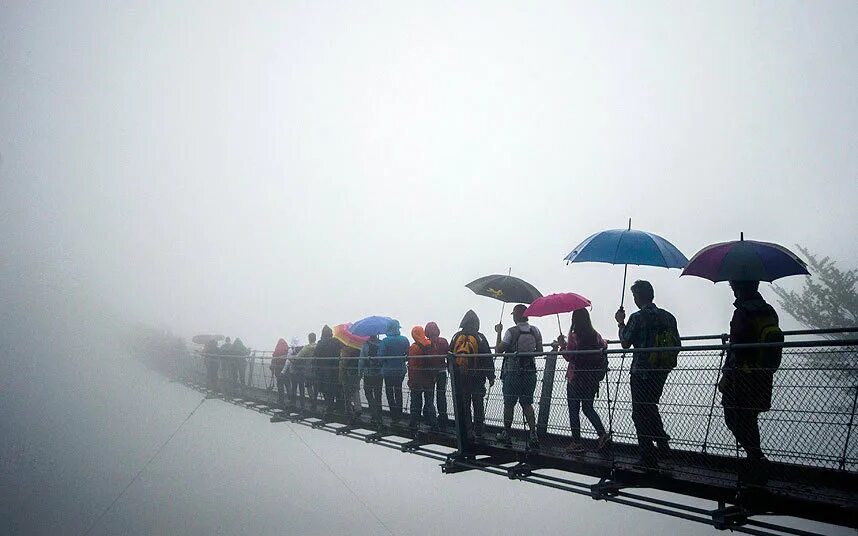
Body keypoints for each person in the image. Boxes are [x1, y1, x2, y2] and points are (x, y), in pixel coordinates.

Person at [719, 280, 782, 476]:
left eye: (733, 288)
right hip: (762, 373)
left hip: (742, 375)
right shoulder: (768, 310)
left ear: (739, 289)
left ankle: (756, 458)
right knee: (749, 416)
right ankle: (755, 459)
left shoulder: (742, 312)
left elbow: (738, 350)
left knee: (732, 416)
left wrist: (726, 376)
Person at [616, 280, 680, 466]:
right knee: (650, 406)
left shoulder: (637, 317)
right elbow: (677, 344)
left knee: (639, 413)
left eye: (634, 296)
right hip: (661, 371)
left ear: (638, 296)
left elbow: (625, 342)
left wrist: (621, 323)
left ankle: (648, 456)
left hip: (641, 371)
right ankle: (663, 447)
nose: (634, 299)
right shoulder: (668, 317)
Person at [561, 308, 609, 452]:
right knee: (588, 408)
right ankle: (602, 434)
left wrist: (562, 346)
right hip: (591, 379)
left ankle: (576, 442)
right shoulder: (595, 335)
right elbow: (604, 345)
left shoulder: (574, 336)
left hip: (575, 378)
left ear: (574, 320)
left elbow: (569, 356)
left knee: (574, 410)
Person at [495, 304, 542, 448]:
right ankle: (533, 433)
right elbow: (540, 351)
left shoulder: (511, 332)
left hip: (512, 373)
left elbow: (499, 351)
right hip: (529, 372)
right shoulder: (535, 331)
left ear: (515, 316)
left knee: (509, 404)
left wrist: (498, 332)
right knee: (527, 404)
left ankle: (507, 433)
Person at [449, 310, 494, 438]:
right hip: (477, 376)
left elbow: (450, 355)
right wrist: (491, 376)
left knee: (464, 403)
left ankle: (467, 429)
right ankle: (479, 430)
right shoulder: (480, 337)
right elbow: (487, 357)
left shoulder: (456, 336)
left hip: (461, 376)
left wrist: (453, 372)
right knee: (478, 402)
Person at [407, 326, 438, 431]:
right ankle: (434, 423)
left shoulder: (414, 347)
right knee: (429, 402)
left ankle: (414, 423)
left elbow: (412, 365)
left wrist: (411, 380)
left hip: (418, 378)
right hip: (429, 377)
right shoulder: (430, 343)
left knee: (416, 402)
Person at [379, 320, 409, 423]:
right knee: (398, 391)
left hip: (388, 371)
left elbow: (380, 357)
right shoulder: (404, 339)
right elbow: (407, 354)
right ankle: (399, 413)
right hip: (400, 370)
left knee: (389, 392)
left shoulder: (385, 341)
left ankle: (393, 414)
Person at [314, 325, 344, 416]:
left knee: (326, 390)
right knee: (337, 388)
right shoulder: (336, 342)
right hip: (335, 369)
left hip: (323, 371)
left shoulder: (320, 344)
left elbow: (316, 357)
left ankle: (329, 407)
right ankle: (340, 407)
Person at [425, 322, 450, 428]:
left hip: (430, 373)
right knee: (441, 395)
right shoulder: (443, 341)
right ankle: (443, 418)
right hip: (442, 371)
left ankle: (431, 420)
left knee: (429, 396)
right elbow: (449, 354)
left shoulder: (426, 343)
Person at [360, 335, 384, 425]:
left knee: (368, 393)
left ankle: (374, 412)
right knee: (378, 394)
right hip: (379, 373)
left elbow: (361, 360)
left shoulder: (365, 345)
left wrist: (360, 372)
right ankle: (379, 414)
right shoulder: (381, 343)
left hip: (368, 373)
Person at [339, 345, 363, 422]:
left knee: (347, 392)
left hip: (347, 373)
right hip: (357, 372)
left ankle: (349, 411)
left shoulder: (346, 349)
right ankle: (358, 408)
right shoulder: (359, 348)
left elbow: (344, 363)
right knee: (356, 390)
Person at [290, 334, 314, 409]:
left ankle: (293, 402)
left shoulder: (306, 348)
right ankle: (304, 403)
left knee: (294, 387)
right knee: (302, 388)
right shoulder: (316, 347)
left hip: (297, 371)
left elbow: (296, 359)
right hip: (307, 370)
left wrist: (290, 358)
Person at [271, 338, 290, 407]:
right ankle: (290, 399)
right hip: (286, 369)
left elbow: (274, 357)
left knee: (280, 384)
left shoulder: (277, 348)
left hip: (278, 368)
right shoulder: (287, 348)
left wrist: (272, 367)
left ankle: (281, 400)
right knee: (287, 384)